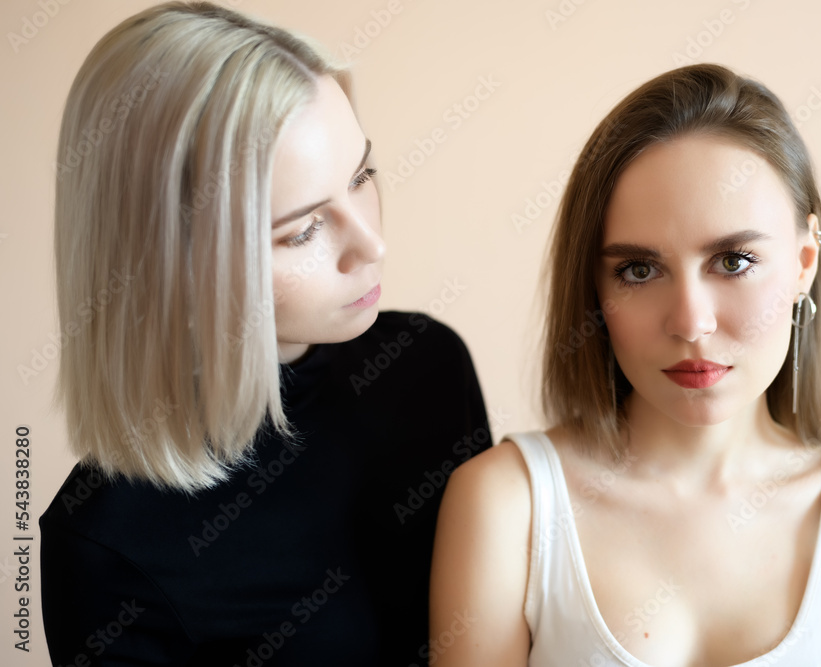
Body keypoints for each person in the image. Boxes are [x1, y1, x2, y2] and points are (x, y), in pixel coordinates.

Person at [429, 63, 821, 665]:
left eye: (733, 261)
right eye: (639, 270)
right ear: (594, 286)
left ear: (804, 262)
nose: (690, 322)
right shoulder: (506, 506)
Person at [39, 3, 491, 665]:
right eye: (302, 230)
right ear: (168, 268)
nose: (372, 243)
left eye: (361, 176)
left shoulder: (426, 364)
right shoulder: (106, 543)